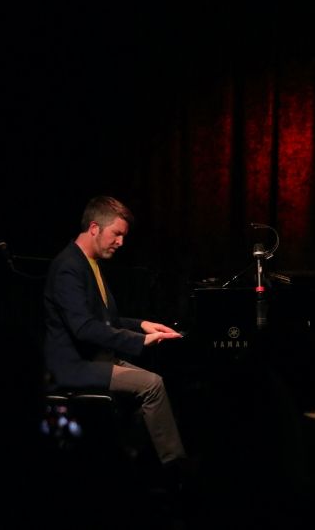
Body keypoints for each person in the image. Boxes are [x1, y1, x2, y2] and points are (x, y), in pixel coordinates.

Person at [43, 196, 189, 475]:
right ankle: (175, 471)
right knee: (152, 384)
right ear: (95, 228)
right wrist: (138, 341)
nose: (121, 242)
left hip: (96, 358)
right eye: (117, 234)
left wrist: (144, 324)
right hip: (73, 365)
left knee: (153, 390)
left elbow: (107, 320)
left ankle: (127, 460)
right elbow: (84, 328)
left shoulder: (90, 263)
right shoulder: (68, 267)